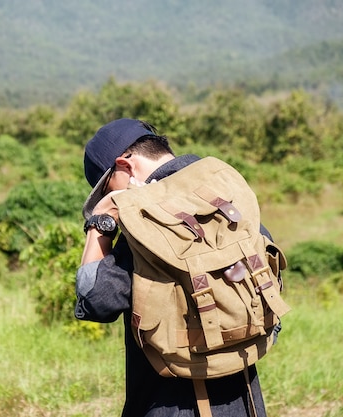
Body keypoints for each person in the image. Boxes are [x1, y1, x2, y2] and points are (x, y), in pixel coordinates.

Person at [75, 118, 269, 417]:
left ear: (125, 166)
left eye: (106, 187)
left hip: (170, 404)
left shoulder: (147, 226)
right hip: (244, 398)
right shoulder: (224, 199)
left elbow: (95, 302)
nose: (107, 196)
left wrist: (100, 222)